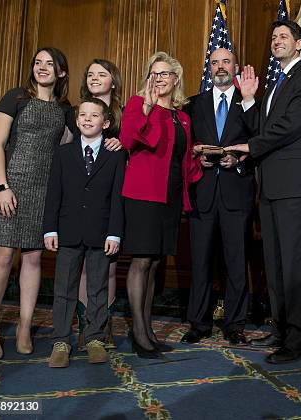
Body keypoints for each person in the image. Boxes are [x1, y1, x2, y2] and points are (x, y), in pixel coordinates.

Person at [225, 20, 301, 364]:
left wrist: (249, 147)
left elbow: (287, 127)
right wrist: (251, 100)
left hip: (296, 185)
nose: (276, 40)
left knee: (296, 266)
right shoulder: (274, 84)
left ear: (299, 44)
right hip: (269, 187)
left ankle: (298, 341)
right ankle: (281, 330)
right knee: (276, 263)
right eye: (273, 36)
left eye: (284, 36)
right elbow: (264, 129)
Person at [0, 47, 71, 359]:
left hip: (44, 192)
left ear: (61, 72)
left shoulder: (64, 107)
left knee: (33, 259)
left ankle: (24, 326)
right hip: (11, 186)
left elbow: (77, 138)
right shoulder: (16, 97)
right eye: (37, 62)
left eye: (50, 64)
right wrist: (1, 186)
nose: (42, 67)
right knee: (4, 257)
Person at [120, 52, 202, 358]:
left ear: (176, 79)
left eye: (165, 73)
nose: (159, 78)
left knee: (155, 264)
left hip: (170, 196)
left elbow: (183, 162)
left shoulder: (182, 117)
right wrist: (147, 109)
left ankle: (148, 329)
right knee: (141, 261)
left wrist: (200, 158)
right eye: (154, 73)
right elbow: (129, 140)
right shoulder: (135, 104)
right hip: (143, 195)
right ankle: (139, 334)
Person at [43, 98, 126, 368]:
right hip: (67, 230)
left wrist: (114, 234)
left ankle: (94, 338)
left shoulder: (115, 155)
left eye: (94, 115)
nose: (88, 119)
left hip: (101, 232)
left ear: (106, 122)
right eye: (83, 115)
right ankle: (61, 340)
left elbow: (117, 198)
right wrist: (50, 228)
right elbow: (54, 193)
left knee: (98, 287)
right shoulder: (63, 153)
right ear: (77, 120)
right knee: (64, 288)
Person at [181, 48, 254, 346]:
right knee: (200, 263)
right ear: (208, 68)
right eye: (214, 63)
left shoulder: (249, 103)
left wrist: (239, 161)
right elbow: (183, 148)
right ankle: (199, 323)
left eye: (226, 62)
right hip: (203, 194)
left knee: (237, 263)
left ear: (235, 66)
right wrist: (198, 157)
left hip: (237, 193)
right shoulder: (192, 105)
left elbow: (261, 139)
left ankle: (235, 324)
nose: (220, 67)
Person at [70, 59, 124, 351]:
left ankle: (103, 325)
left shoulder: (123, 114)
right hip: (80, 202)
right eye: (90, 74)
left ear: (112, 81)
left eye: (101, 74)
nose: (94, 78)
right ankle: (84, 325)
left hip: (109, 199)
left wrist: (122, 143)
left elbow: (131, 146)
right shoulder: (74, 113)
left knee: (108, 267)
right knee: (82, 269)